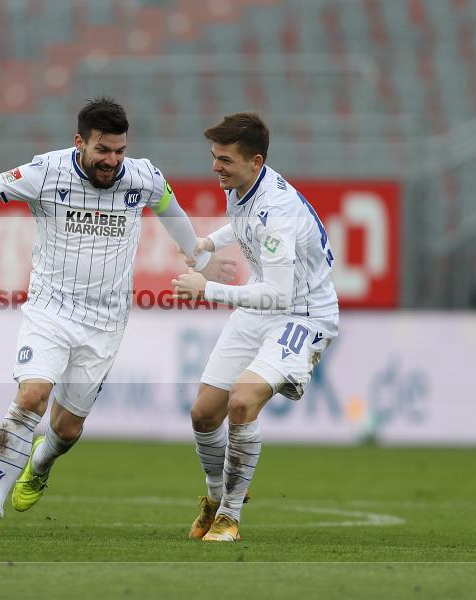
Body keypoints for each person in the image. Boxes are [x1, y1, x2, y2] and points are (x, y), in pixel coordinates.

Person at [0, 97, 235, 538]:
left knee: (67, 429)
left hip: (106, 323)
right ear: (79, 143)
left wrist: (201, 261)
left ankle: (40, 462)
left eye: (119, 151)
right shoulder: (45, 173)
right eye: (103, 151)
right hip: (49, 312)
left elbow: (173, 214)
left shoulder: (144, 178)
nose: (112, 161)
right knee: (32, 396)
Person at [173, 112, 339, 542]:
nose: (216, 167)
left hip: (300, 315)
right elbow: (247, 222)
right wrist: (212, 241)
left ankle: (230, 516)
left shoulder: (278, 212)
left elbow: (279, 295)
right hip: (258, 307)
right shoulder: (246, 183)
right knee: (203, 413)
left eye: (224, 160)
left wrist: (207, 288)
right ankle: (213, 497)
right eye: (214, 157)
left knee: (242, 403)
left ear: (255, 160)